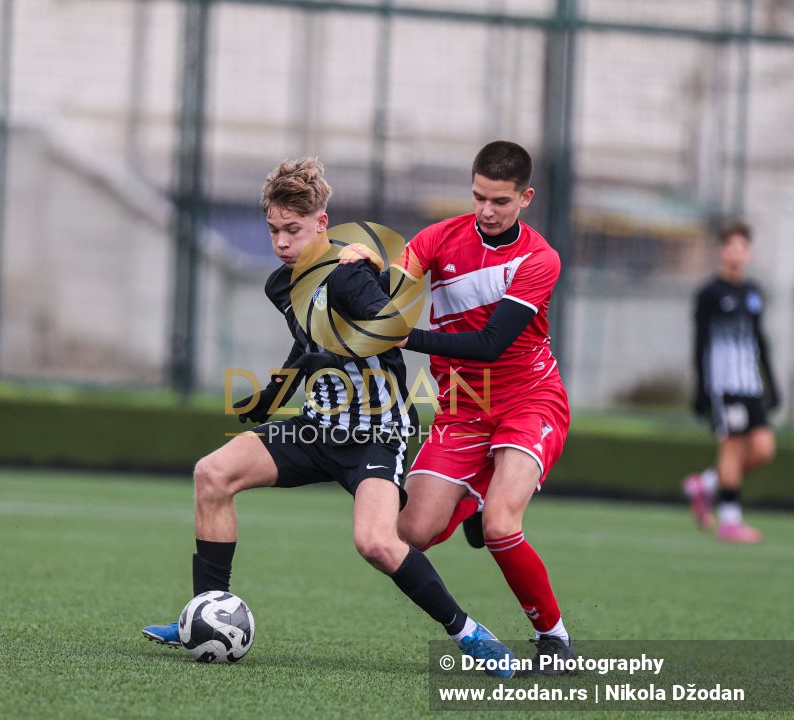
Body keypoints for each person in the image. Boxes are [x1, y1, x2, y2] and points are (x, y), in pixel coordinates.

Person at [140, 158, 516, 676]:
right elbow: (307, 343)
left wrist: (373, 270)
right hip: (316, 428)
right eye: (273, 229)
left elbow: (390, 323)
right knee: (212, 473)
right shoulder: (281, 285)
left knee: (377, 543)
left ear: (321, 223)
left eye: (292, 230)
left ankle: (469, 632)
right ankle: (205, 614)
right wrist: (272, 396)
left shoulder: (348, 275)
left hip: (375, 432)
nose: (281, 242)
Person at [344, 141, 575, 674]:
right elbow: (390, 289)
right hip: (463, 409)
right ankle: (470, 502)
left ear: (526, 198)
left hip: (530, 400)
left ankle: (554, 640)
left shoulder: (539, 260)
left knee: (501, 526)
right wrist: (361, 267)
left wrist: (405, 338)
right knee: (409, 535)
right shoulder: (438, 238)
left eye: (500, 201)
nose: (487, 211)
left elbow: (492, 344)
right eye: (478, 197)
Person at [682, 220, 779, 544]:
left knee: (764, 449)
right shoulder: (709, 293)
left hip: (751, 384)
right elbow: (700, 342)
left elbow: (760, 339)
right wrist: (700, 388)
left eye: (741, 247)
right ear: (722, 251)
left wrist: (772, 382)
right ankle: (729, 521)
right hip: (723, 386)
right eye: (730, 246)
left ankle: (706, 485)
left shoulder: (754, 293)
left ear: (749, 252)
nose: (735, 253)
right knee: (732, 448)